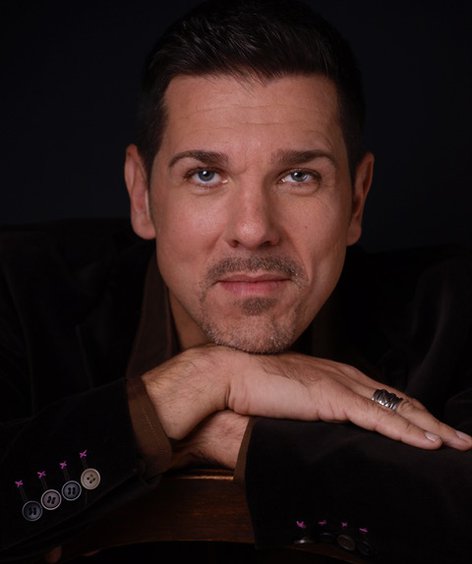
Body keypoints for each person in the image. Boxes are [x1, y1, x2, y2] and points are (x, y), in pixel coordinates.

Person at [1, 0, 471, 563]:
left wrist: (227, 435)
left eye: (299, 176)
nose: (253, 230)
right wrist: (203, 381)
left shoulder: (457, 314)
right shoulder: (15, 289)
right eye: (206, 174)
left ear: (356, 199)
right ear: (142, 195)